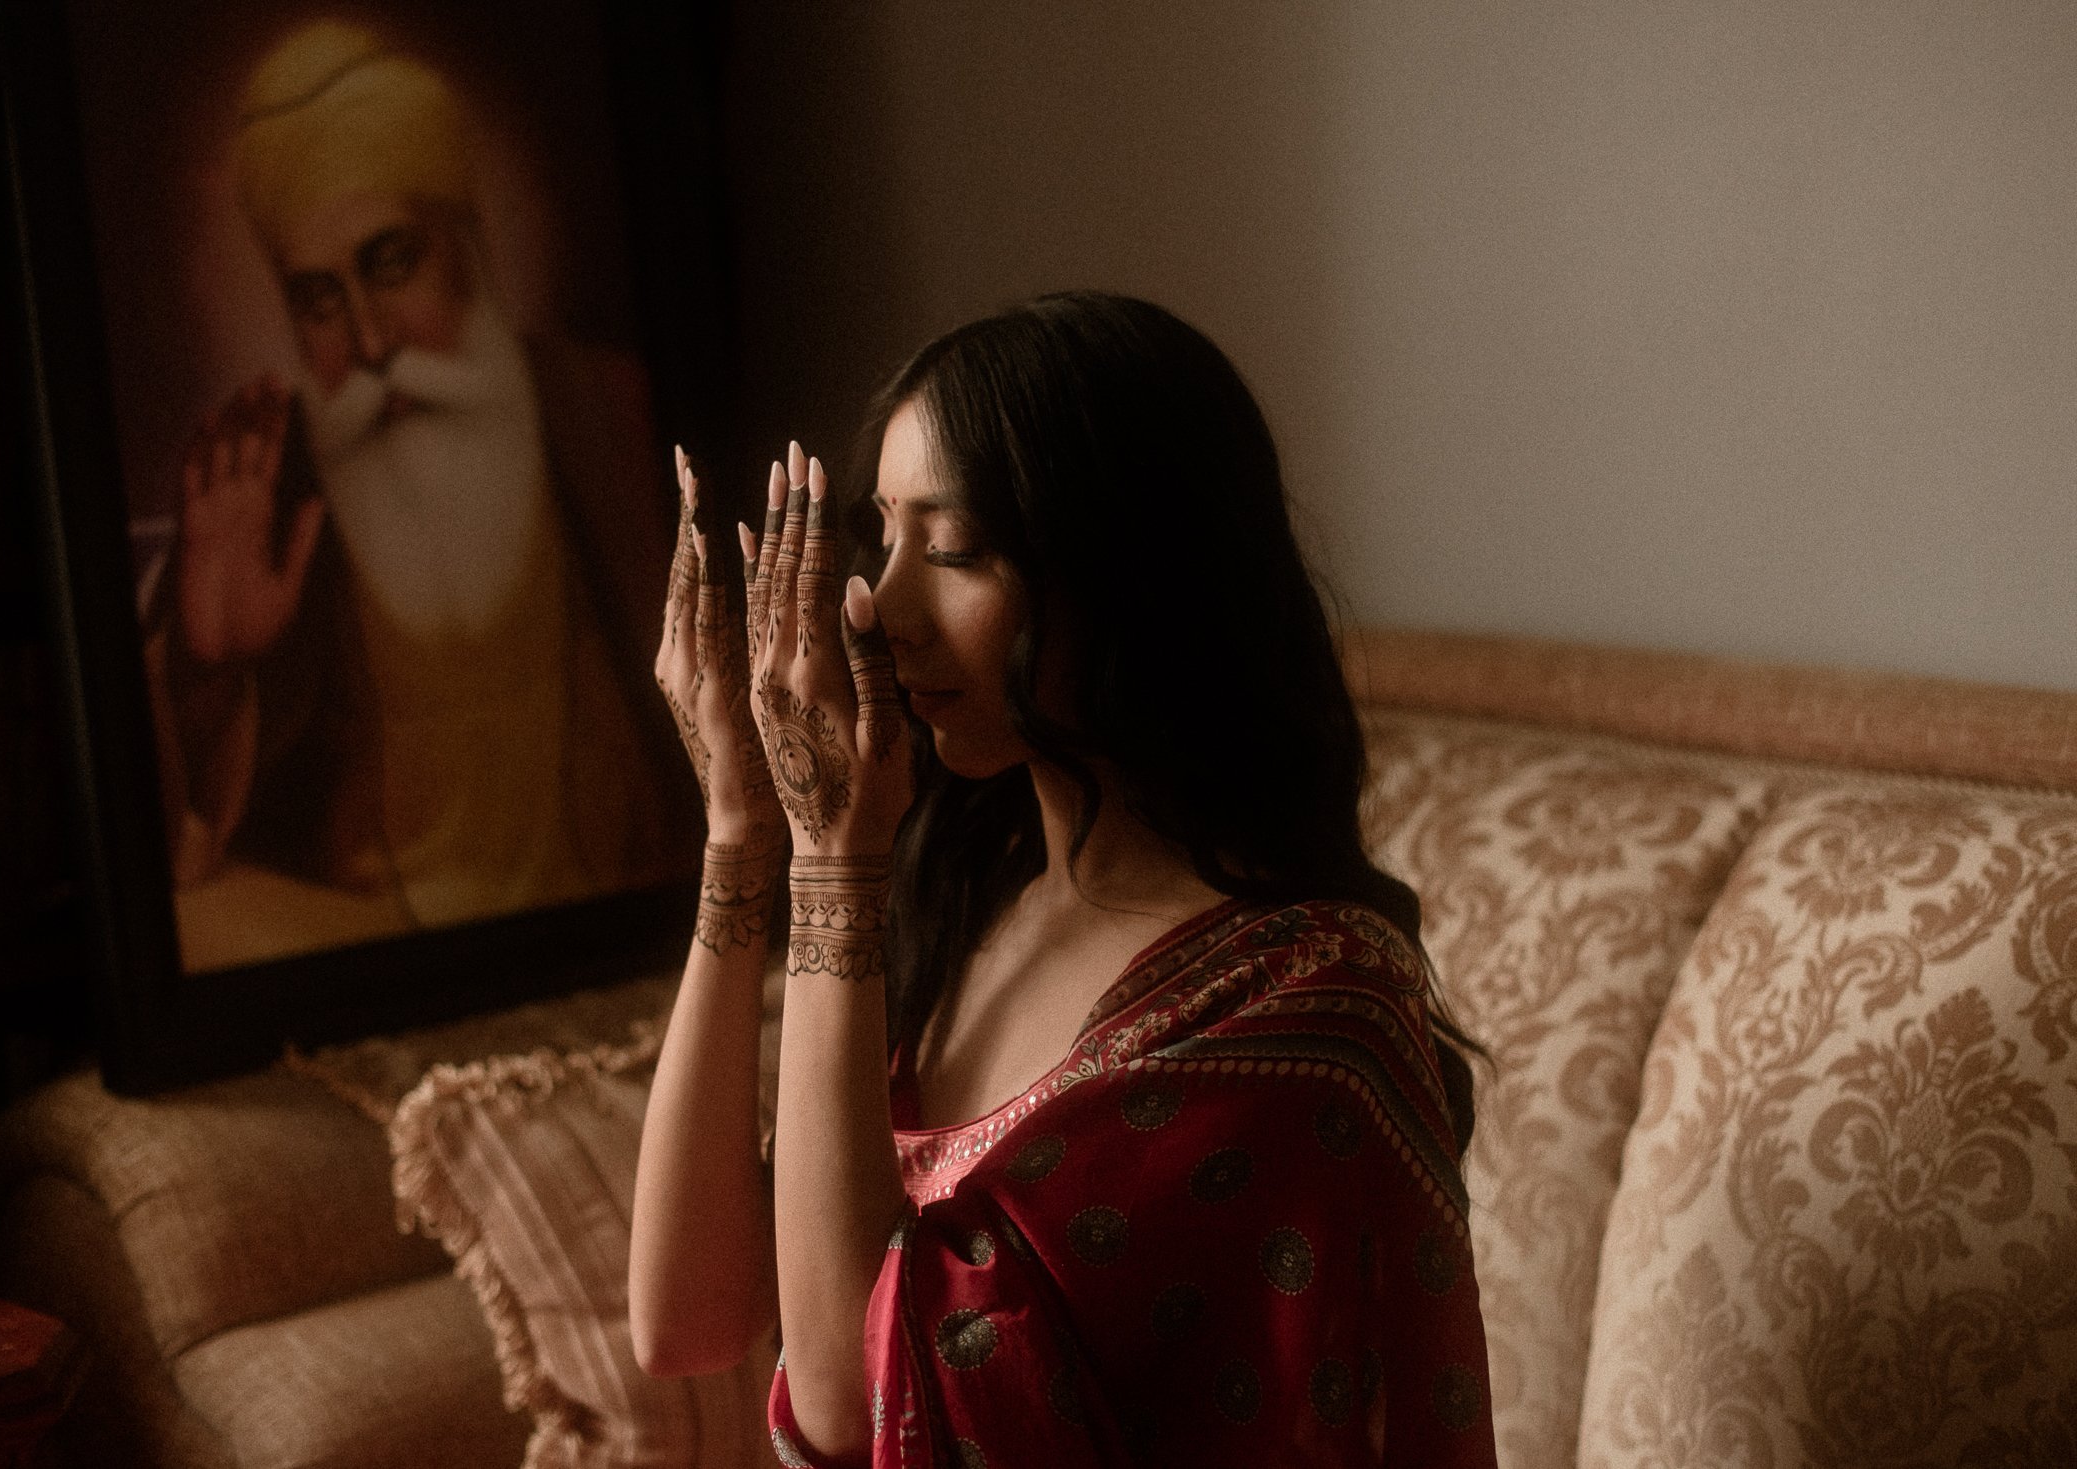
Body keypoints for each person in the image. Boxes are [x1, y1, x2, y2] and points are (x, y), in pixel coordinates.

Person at [631, 292, 1495, 1467]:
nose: (879, 608)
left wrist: (834, 856)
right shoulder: (975, 899)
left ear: (1134, 574)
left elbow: (851, 1406)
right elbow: (686, 1315)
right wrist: (741, 831)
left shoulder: (1299, 1009)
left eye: (954, 549)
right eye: (880, 538)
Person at [139, 19, 689, 968]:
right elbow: (177, 840)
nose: (368, 338)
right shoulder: (272, 490)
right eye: (318, 298)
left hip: (637, 928)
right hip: (362, 948)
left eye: (392, 263)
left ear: (467, 242)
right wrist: (206, 665)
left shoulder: (613, 415)